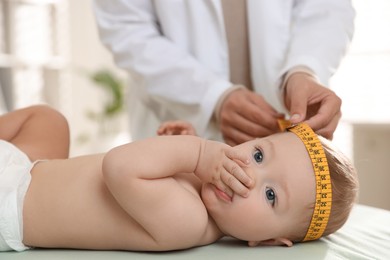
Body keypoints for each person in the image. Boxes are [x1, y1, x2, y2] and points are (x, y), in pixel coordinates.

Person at [0, 105, 358, 252]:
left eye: (270, 196)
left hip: (10, 207)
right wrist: (182, 150)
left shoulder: (189, 222)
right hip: (29, 172)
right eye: (259, 155)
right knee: (50, 120)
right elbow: (163, 168)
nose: (248, 174)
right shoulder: (199, 188)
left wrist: (197, 152)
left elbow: (119, 167)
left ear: (268, 241)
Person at [93, 0, 355, 144]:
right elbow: (127, 29)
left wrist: (304, 70)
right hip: (177, 123)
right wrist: (212, 97)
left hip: (281, 127)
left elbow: (328, 8)